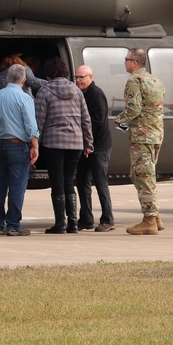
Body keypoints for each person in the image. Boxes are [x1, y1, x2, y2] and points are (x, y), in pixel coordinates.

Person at [34, 57, 92, 234]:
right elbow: (85, 119)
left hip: (53, 143)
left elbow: (39, 121)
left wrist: (35, 143)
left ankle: (60, 223)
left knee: (57, 183)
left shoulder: (44, 91)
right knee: (69, 181)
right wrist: (88, 143)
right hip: (75, 143)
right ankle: (73, 223)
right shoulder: (77, 91)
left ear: (49, 73)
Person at [114, 48, 165, 235]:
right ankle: (155, 216)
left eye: (126, 59)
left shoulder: (135, 81)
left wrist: (119, 120)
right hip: (155, 135)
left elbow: (133, 110)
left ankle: (149, 220)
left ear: (134, 62)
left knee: (142, 177)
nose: (125, 63)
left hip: (142, 137)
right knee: (147, 176)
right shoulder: (155, 81)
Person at [0, 64, 40, 236]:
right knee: (17, 186)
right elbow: (31, 126)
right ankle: (13, 225)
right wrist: (35, 145)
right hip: (17, 145)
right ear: (24, 80)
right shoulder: (25, 98)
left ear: (7, 79)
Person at [74, 64, 115, 232]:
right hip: (86, 146)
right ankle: (86, 218)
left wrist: (89, 145)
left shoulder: (96, 94)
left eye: (81, 77)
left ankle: (108, 219)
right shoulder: (81, 94)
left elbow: (97, 122)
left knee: (100, 182)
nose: (78, 81)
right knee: (81, 181)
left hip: (98, 146)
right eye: (76, 77)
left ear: (90, 77)